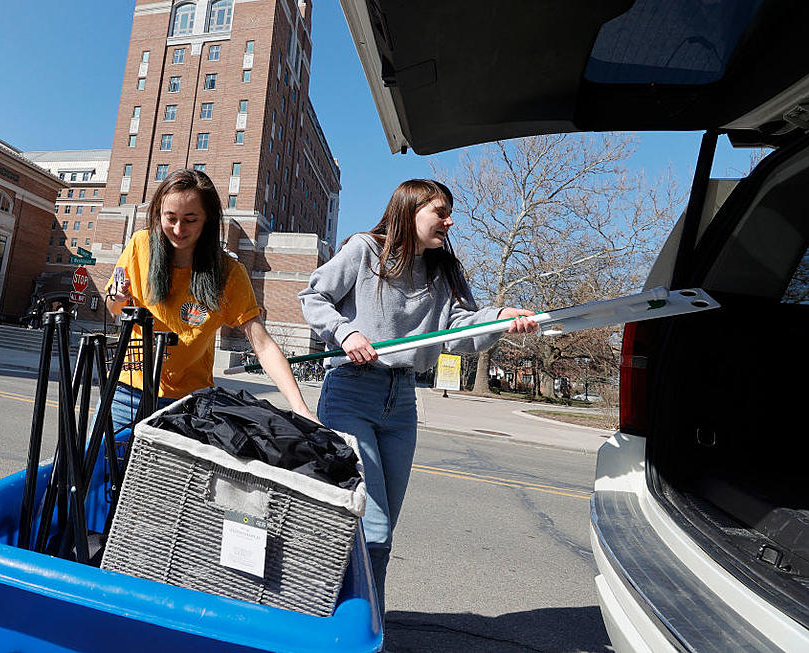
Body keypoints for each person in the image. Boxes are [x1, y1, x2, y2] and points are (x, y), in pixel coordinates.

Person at [299, 179, 539, 616]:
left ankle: (368, 624)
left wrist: (502, 318)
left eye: (449, 213)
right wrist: (346, 331)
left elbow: (462, 328)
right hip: (352, 390)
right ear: (410, 210)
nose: (449, 221)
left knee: (383, 529)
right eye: (440, 212)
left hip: (402, 400)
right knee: (369, 526)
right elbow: (313, 296)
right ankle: (346, 626)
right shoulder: (364, 250)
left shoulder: (443, 270)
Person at [105, 168, 316, 431]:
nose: (179, 229)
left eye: (190, 219)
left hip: (188, 403)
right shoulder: (140, 245)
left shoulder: (228, 273)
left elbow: (263, 346)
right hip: (128, 391)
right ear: (158, 213)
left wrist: (300, 407)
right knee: (97, 467)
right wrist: (116, 297)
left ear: (207, 219)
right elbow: (114, 308)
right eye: (170, 218)